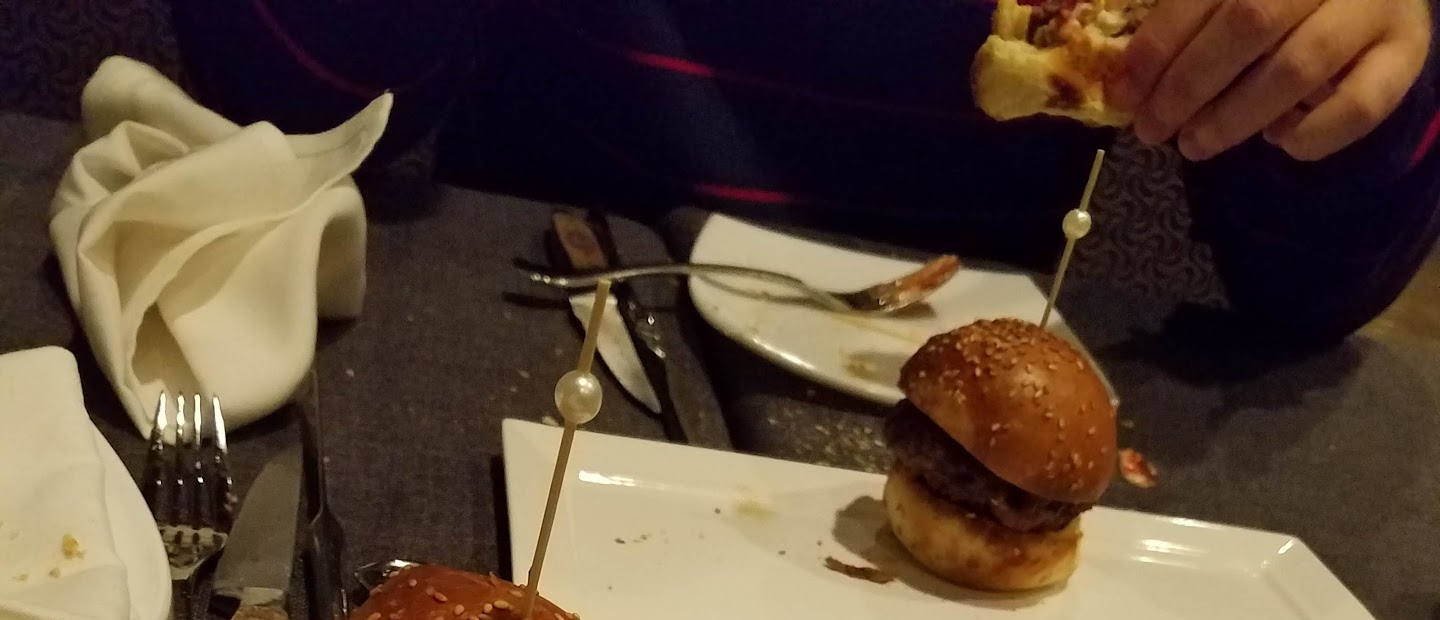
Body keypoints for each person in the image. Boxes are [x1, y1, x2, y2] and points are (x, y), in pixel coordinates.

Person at [169, 0, 1439, 341]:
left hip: (984, 366)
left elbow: (1310, 297)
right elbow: (285, 125)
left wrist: (1344, 62)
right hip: (539, 316)